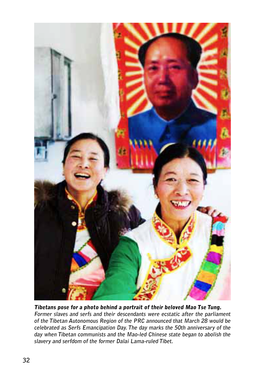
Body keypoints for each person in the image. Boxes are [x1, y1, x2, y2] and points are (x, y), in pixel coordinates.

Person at [93, 143, 230, 300]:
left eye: (193, 180)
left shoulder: (224, 232)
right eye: (171, 179)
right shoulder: (133, 245)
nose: (182, 190)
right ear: (155, 187)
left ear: (203, 188)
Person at [34, 132, 144, 300]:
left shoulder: (124, 212)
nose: (84, 164)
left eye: (93, 159)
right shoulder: (37, 207)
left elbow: (154, 239)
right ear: (63, 167)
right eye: (76, 156)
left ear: (105, 171)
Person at [128, 33, 216, 155]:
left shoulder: (216, 129)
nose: (162, 79)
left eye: (174, 67)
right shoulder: (130, 128)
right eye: (153, 68)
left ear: (194, 77)